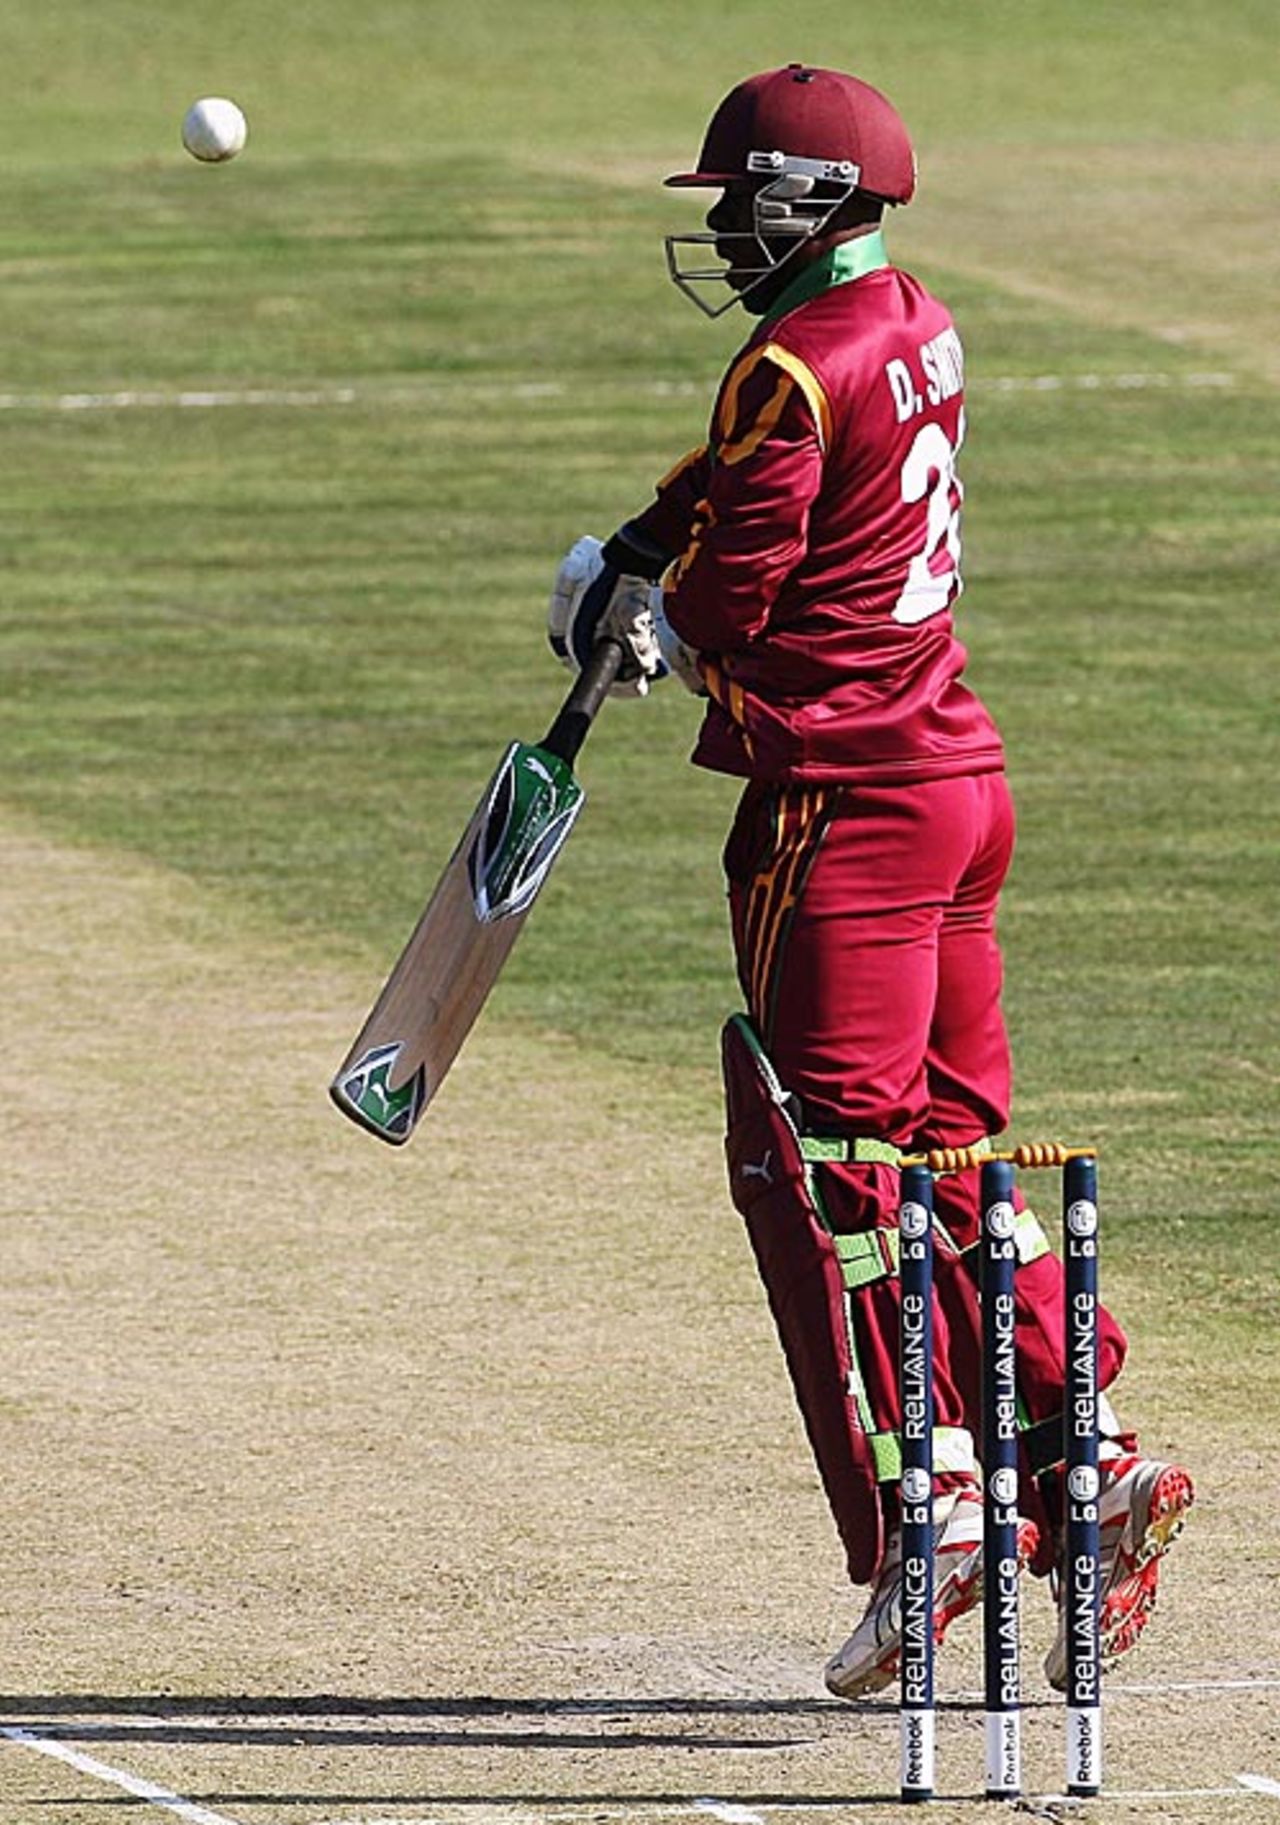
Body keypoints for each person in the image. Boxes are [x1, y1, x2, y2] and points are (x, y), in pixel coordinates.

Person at [547, 63, 1193, 1697]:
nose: (728, 227)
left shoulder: (781, 362)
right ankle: (1091, 1457)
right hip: (962, 788)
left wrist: (640, 629)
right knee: (954, 1152)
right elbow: (764, 469)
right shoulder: (910, 315)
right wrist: (643, 540)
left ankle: (940, 1515)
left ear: (813, 196)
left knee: (841, 1181)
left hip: (841, 810)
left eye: (746, 198)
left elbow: (742, 590)